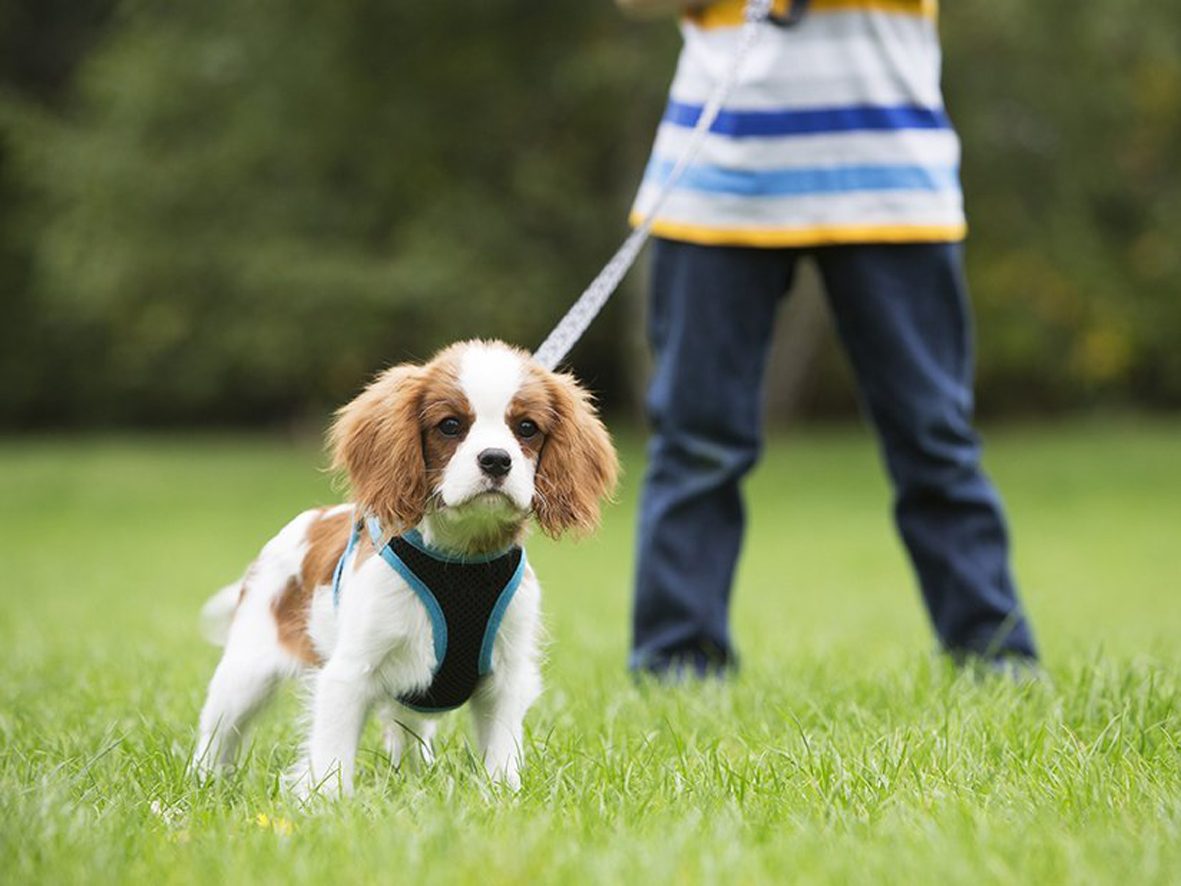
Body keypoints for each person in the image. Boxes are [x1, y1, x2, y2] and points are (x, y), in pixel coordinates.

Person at [619, 0, 1039, 677]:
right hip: (715, 181)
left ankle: (996, 660)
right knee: (694, 443)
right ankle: (677, 668)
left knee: (934, 441)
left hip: (892, 182)